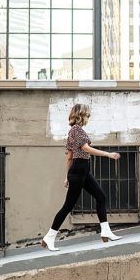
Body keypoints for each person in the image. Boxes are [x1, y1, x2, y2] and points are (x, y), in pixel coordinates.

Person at [41, 104, 123, 251]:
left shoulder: (72, 131)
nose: (88, 118)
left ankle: (106, 231)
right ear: (81, 115)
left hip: (80, 170)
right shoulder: (77, 130)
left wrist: (67, 176)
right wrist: (108, 154)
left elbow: (69, 157)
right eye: (87, 115)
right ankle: (49, 237)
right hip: (79, 170)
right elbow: (85, 149)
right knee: (68, 206)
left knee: (101, 197)